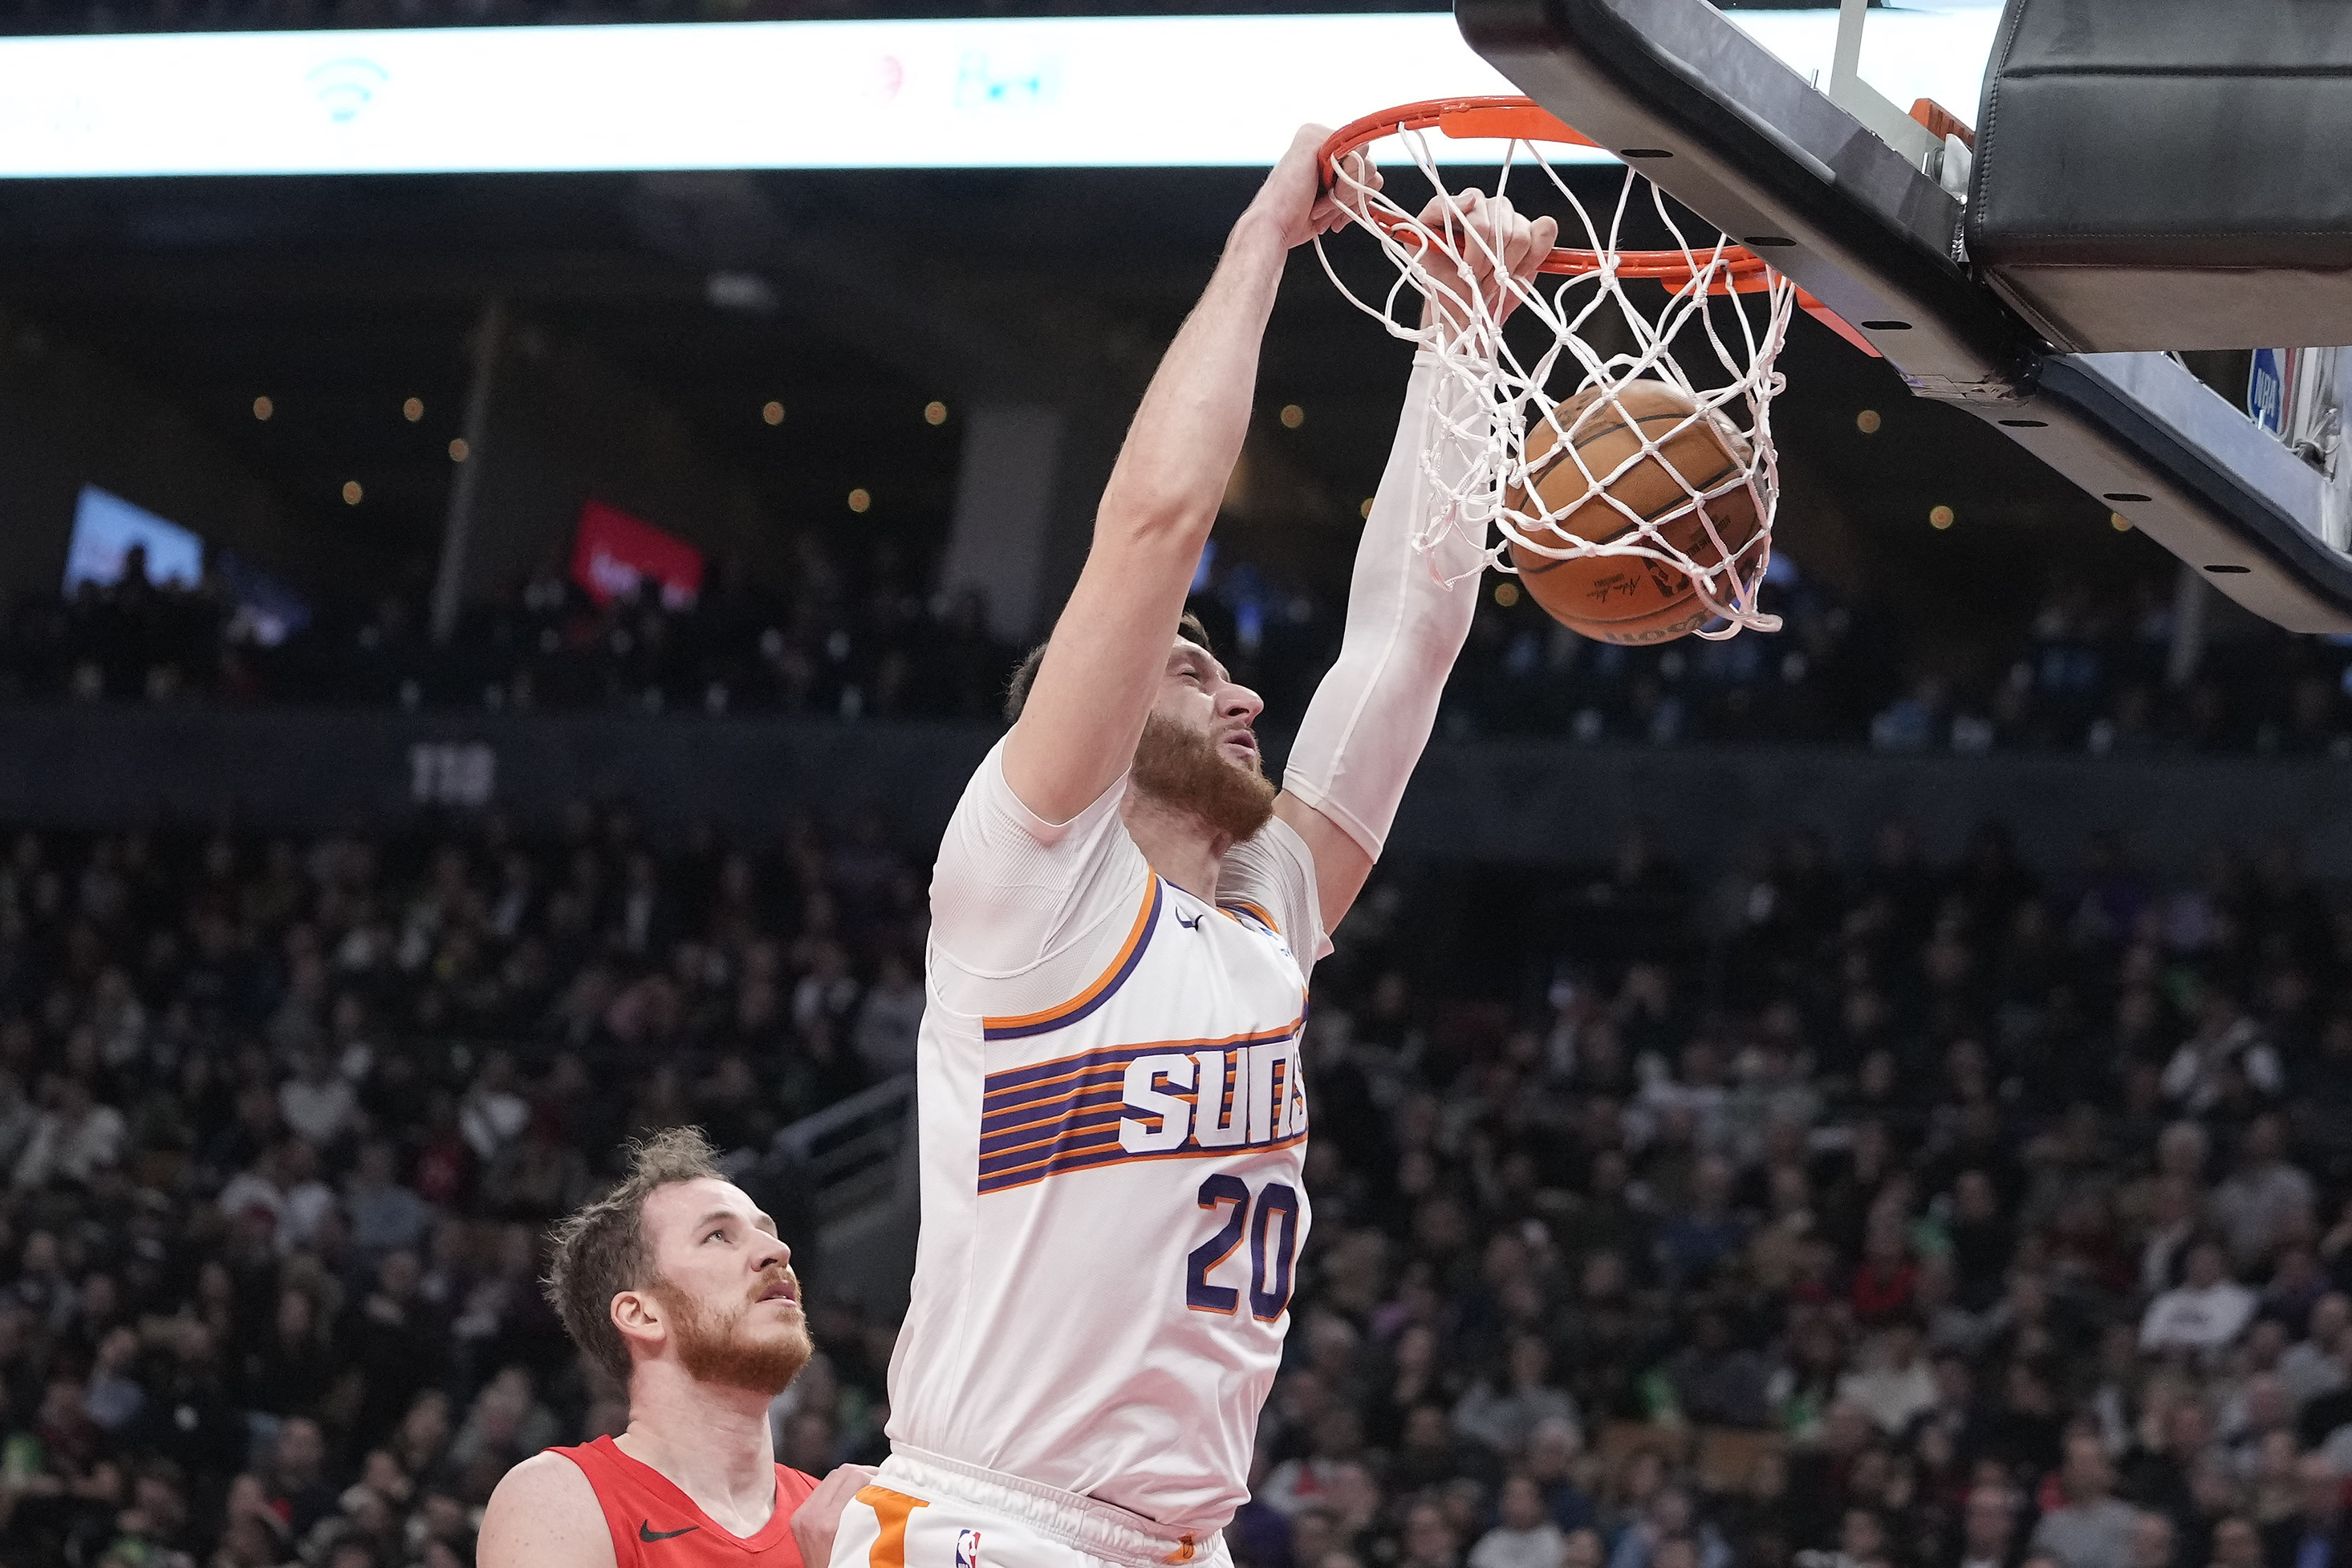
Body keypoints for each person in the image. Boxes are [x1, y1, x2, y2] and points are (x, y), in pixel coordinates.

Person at [831, 126, 1555, 1568]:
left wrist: (1465, 329)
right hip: (992, 1515)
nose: (1243, 692)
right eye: (1188, 667)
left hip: (1182, 1539)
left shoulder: (1262, 912)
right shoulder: (1025, 875)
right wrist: (1259, 245)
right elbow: (1157, 521)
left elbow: (1405, 645)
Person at [475, 1128, 868, 1566]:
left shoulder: (835, 1516)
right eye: (718, 1235)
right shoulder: (559, 1498)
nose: (777, 1250)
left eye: (768, 1232)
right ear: (642, 1315)